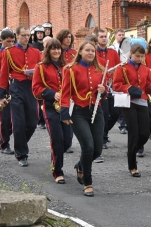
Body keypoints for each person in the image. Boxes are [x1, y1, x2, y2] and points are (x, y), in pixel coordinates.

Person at [60, 40, 106, 197]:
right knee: (88, 146)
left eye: (92, 51)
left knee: (98, 149)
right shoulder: (71, 69)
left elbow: (104, 94)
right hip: (79, 112)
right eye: (87, 50)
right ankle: (88, 182)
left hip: (96, 111)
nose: (90, 53)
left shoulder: (100, 70)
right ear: (80, 52)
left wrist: (104, 90)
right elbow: (65, 92)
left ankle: (80, 166)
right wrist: (64, 113)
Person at [0, 25, 42, 167]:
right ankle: (21, 153)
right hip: (16, 87)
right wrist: (2, 95)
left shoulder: (36, 51)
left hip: (31, 87)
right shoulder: (9, 52)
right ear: (17, 36)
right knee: (18, 122)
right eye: (23, 35)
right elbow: (4, 74)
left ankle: (20, 144)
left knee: (33, 121)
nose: (26, 38)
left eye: (28, 35)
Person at [113, 43, 151, 177]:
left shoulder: (146, 69)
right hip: (128, 102)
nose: (139, 59)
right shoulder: (122, 68)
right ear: (131, 54)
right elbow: (116, 85)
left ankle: (132, 150)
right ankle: (133, 166)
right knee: (133, 131)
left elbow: (148, 86)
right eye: (137, 56)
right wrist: (129, 88)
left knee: (144, 132)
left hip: (142, 101)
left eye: (142, 56)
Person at [33, 38, 71, 184]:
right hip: (50, 108)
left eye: (58, 49)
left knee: (66, 142)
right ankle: (57, 171)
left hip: (65, 108)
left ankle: (55, 157)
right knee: (57, 140)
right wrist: (51, 93)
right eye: (53, 48)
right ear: (48, 51)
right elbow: (36, 89)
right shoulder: (41, 67)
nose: (56, 51)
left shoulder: (66, 67)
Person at [96, 29, 121, 150]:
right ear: (97, 39)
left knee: (116, 113)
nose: (104, 39)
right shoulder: (93, 52)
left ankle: (104, 132)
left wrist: (114, 74)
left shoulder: (113, 52)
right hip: (101, 87)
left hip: (112, 86)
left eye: (105, 37)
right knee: (104, 113)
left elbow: (118, 68)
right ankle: (103, 137)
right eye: (101, 37)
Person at [56, 29, 76, 154]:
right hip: (59, 86)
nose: (68, 39)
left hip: (72, 87)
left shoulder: (74, 53)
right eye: (66, 37)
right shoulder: (57, 52)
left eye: (70, 37)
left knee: (70, 114)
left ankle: (68, 141)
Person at [109, 29, 128, 134]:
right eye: (119, 35)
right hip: (114, 75)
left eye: (123, 35)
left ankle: (124, 123)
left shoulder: (126, 47)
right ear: (115, 36)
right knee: (118, 100)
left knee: (124, 99)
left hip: (125, 74)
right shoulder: (112, 48)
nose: (121, 36)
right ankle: (121, 123)